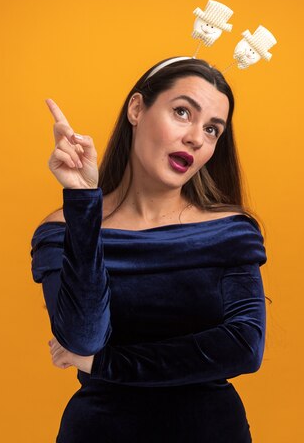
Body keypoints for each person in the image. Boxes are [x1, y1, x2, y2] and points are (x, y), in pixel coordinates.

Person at [30, 56, 268, 442]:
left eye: (211, 129)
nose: (196, 137)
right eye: (181, 112)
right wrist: (83, 201)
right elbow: (83, 337)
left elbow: (243, 348)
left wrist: (104, 363)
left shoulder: (230, 231)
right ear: (137, 108)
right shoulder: (63, 228)